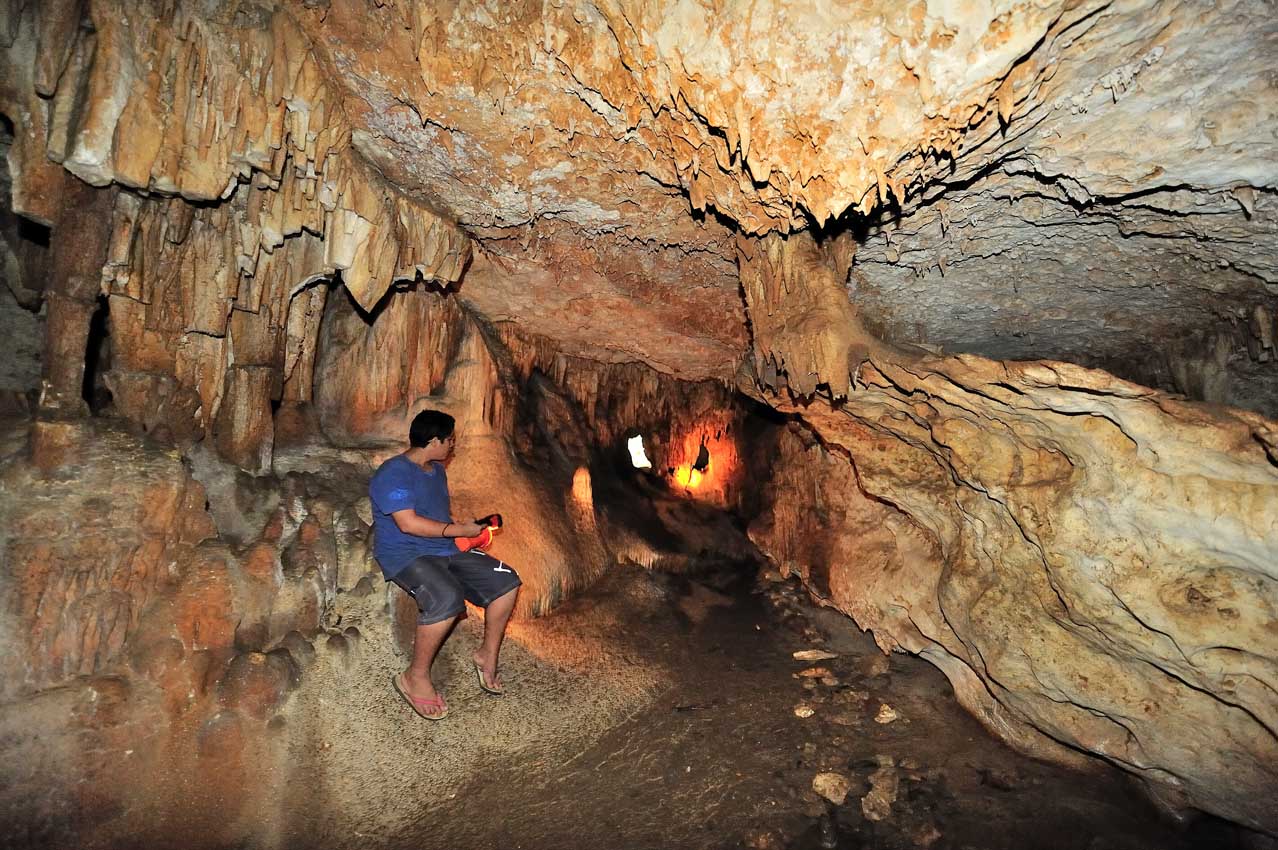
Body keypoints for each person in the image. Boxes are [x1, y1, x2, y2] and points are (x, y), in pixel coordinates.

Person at [369, 409, 521, 720]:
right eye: (450, 439)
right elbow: (408, 524)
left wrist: (465, 532)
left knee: (507, 581)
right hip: (406, 554)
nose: (453, 445)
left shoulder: (436, 471)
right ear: (434, 440)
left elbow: (436, 516)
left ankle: (486, 655)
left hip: (444, 548)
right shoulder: (392, 473)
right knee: (447, 599)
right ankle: (415, 676)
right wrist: (458, 531)